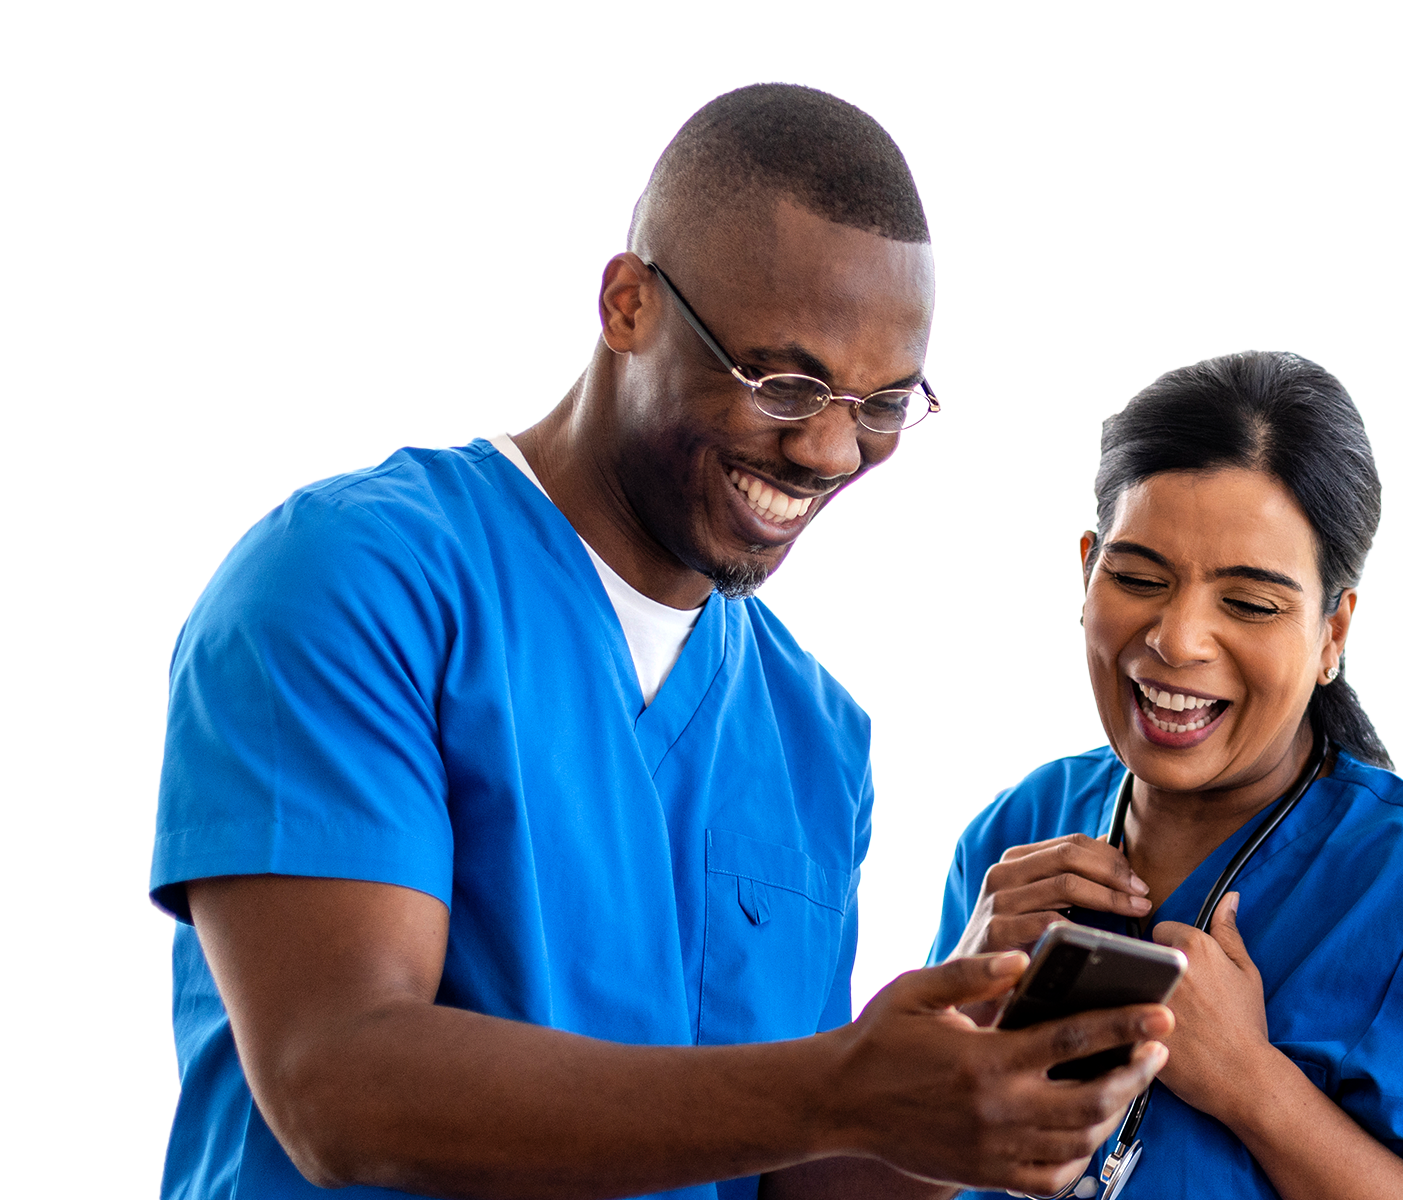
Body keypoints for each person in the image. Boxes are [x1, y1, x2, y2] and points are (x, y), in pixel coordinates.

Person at [150, 84, 1171, 1200]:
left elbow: (783, 1173)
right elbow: (339, 1084)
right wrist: (840, 1086)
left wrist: (966, 1093)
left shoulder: (811, 734)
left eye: (884, 402)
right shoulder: (350, 583)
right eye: (786, 383)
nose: (832, 449)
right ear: (627, 305)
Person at [931, 351, 1403, 1200]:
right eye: (1137, 577)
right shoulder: (1013, 840)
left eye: (1248, 603)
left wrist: (1254, 1088)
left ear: (1331, 633)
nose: (1179, 639)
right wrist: (959, 1011)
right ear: (1088, 571)